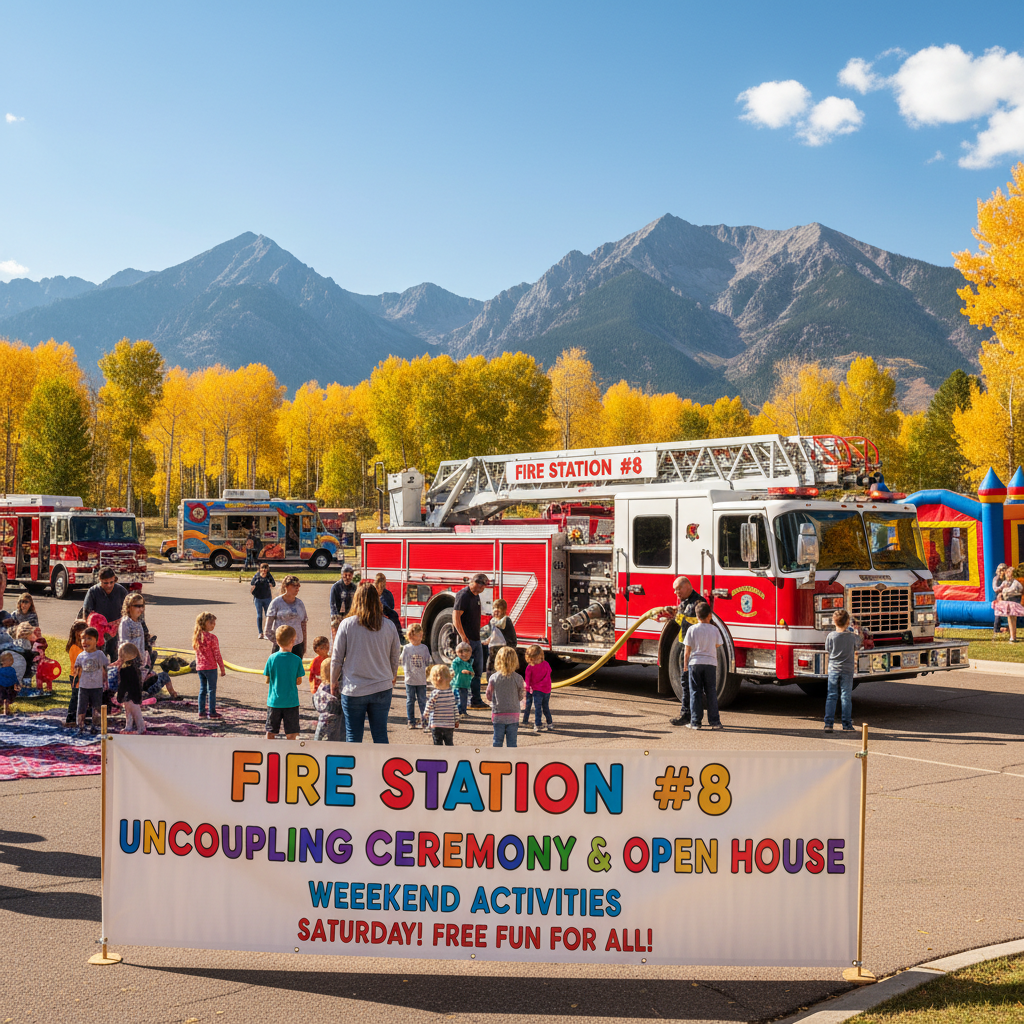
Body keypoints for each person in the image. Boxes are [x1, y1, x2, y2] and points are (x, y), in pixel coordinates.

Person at [329, 583, 400, 744]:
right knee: (381, 735)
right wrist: (392, 675)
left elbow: (337, 657)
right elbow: (395, 656)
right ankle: (382, 768)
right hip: (382, 686)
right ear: (377, 600)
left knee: (353, 736)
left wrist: (333, 681)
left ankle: (354, 768)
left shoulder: (347, 625)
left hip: (354, 688)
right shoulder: (389, 625)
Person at [657, 576, 702, 727]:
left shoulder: (699, 603)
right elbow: (681, 623)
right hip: (685, 648)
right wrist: (671, 615)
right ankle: (686, 714)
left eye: (678, 589)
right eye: (674, 590)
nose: (676, 592)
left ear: (688, 586)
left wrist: (678, 615)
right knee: (685, 682)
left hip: (695, 649)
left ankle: (692, 716)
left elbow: (698, 622)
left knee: (693, 683)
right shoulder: (684, 603)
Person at [684, 602, 723, 731]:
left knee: (695, 692)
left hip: (695, 663)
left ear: (697, 616)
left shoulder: (692, 629)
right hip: (710, 664)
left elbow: (687, 650)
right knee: (711, 692)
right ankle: (715, 721)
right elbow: (718, 645)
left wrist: (685, 665)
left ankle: (695, 722)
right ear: (710, 615)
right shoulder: (715, 629)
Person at [453, 573, 489, 709]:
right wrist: (463, 636)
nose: (482, 588)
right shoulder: (464, 595)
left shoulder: (476, 596)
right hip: (467, 640)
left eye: (484, 586)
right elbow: (455, 616)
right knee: (463, 672)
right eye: (481, 585)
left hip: (476, 638)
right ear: (475, 582)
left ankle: (476, 700)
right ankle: (460, 702)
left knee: (477, 671)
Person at [824, 608, 862, 732]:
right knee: (846, 696)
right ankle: (846, 724)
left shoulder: (831, 636)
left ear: (834, 622)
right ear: (847, 623)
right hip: (847, 669)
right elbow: (858, 645)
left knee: (831, 696)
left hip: (833, 669)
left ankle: (828, 724)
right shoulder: (852, 637)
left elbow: (828, 649)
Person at [264, 624, 305, 741]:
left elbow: (267, 679)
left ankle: (268, 753)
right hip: (291, 702)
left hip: (274, 702)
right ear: (293, 641)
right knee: (292, 734)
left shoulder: (271, 658)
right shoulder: (296, 660)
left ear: (277, 641)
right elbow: (298, 681)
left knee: (270, 732)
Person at [83, 569, 129, 659]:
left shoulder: (121, 591)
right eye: (105, 583)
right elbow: (86, 613)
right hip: (99, 633)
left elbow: (129, 610)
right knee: (99, 660)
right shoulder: (93, 592)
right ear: (100, 580)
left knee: (116, 658)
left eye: (112, 582)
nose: (109, 585)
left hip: (117, 632)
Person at [486, 646, 525, 748]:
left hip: (498, 713)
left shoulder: (493, 678)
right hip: (514, 713)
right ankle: (511, 761)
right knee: (512, 742)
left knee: (497, 741)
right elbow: (521, 695)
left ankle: (497, 760)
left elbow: (489, 696)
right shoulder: (518, 678)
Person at [75, 626, 111, 735]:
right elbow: (77, 669)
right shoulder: (81, 655)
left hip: (97, 687)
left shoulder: (99, 654)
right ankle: (80, 726)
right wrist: (76, 675)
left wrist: (106, 680)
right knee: (81, 707)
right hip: (84, 687)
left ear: (96, 640)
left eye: (88, 638)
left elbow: (106, 667)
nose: (85, 641)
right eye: (83, 638)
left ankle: (95, 726)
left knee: (97, 708)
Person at [264, 575, 308, 658]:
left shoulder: (300, 604)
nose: (297, 588)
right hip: (281, 647)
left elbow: (303, 625)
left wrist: (304, 645)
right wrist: (280, 642)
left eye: (298, 586)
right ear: (286, 587)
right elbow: (267, 629)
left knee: (295, 670)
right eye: (294, 586)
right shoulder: (276, 603)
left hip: (297, 645)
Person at [193, 612, 226, 719]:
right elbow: (217, 654)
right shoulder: (212, 638)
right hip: (211, 667)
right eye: (212, 623)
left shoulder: (197, 636)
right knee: (211, 689)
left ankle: (201, 711)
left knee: (202, 689)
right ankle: (212, 712)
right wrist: (222, 668)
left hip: (200, 667)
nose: (214, 625)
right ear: (206, 623)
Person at [400, 624, 431, 729]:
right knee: (410, 700)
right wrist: (408, 672)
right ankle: (411, 720)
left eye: (421, 635)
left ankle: (424, 720)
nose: (421, 637)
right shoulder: (407, 649)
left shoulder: (424, 648)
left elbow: (427, 661)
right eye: (419, 635)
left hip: (421, 679)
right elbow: (403, 662)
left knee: (422, 700)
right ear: (411, 636)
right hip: (410, 679)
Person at [423, 664, 459, 745]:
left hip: (436, 724)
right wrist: (456, 719)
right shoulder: (451, 693)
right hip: (449, 724)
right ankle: (450, 757)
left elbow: (429, 706)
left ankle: (440, 757)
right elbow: (454, 707)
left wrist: (425, 715)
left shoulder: (435, 693)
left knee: (437, 743)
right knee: (449, 743)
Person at [523, 644, 554, 733]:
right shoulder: (546, 664)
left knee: (537, 708)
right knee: (545, 707)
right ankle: (550, 723)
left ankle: (537, 724)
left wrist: (528, 689)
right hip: (547, 689)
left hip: (536, 690)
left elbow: (527, 680)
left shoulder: (530, 667)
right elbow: (550, 672)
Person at [116, 642, 145, 734]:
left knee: (135, 712)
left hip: (129, 695)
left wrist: (119, 696)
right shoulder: (136, 668)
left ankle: (141, 728)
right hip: (134, 694)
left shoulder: (125, 670)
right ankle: (128, 726)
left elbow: (123, 684)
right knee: (129, 711)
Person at [64, 619, 88, 727]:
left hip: (85, 675)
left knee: (83, 697)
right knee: (75, 697)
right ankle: (70, 718)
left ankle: (82, 717)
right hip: (76, 676)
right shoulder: (74, 647)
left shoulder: (83, 645)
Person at [486, 598, 519, 674]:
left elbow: (510, 633)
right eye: (494, 608)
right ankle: (491, 681)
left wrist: (511, 647)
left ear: (503, 610)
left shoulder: (506, 620)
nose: (496, 610)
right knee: (491, 665)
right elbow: (489, 633)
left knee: (503, 664)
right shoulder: (492, 621)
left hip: (503, 647)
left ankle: (503, 679)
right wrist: (487, 640)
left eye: (499, 608)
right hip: (492, 646)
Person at [312, 661, 344, 741]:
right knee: (336, 739)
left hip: (322, 718)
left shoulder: (321, 687)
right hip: (336, 719)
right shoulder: (337, 688)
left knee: (319, 738)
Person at [994, 567, 1024, 643]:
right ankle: (1012, 637)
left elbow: (1014, 590)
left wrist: (1004, 591)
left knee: (1013, 619)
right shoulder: (1005, 582)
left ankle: (1013, 637)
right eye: (1007, 572)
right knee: (1011, 619)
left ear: (1013, 574)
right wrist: (996, 579)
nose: (1007, 573)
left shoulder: (1016, 582)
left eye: (1009, 572)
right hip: (1009, 603)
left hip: (1015, 603)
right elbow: (997, 588)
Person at [374, 573, 405, 643]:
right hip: (374, 611)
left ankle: (400, 637)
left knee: (394, 615)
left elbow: (391, 606)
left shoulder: (387, 593)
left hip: (386, 612)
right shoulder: (372, 592)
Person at [250, 562, 276, 640]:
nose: (264, 570)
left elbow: (273, 583)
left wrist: (270, 584)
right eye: (262, 568)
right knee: (259, 615)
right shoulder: (257, 575)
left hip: (267, 597)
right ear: (260, 569)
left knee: (268, 615)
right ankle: (260, 632)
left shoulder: (269, 576)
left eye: (265, 568)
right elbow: (252, 583)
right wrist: (259, 579)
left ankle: (266, 632)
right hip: (258, 598)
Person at [451, 642, 475, 715]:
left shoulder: (468, 663)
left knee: (464, 699)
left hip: (465, 684)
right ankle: (458, 712)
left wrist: (469, 672)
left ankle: (463, 711)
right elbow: (452, 669)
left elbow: (473, 673)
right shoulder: (456, 662)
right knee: (458, 699)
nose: (465, 655)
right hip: (457, 684)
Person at [0, 652, 17, 716]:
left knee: (7, 699)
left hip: (10, 685)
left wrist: (17, 683)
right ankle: (6, 711)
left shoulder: (12, 669)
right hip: (3, 686)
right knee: (5, 698)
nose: (11, 662)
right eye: (9, 660)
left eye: (11, 660)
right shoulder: (2, 670)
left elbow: (14, 677)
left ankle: (7, 710)